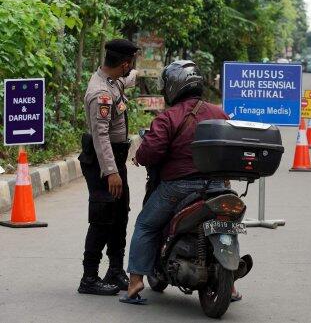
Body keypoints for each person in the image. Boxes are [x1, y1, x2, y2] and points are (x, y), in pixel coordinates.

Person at [122, 60, 229, 304]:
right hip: (217, 187)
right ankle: (230, 287)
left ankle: (135, 281)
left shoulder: (170, 117)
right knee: (225, 223)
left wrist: (140, 156)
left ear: (174, 86)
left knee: (145, 225)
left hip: (179, 187)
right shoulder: (220, 114)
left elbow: (151, 152)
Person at [78, 39, 139, 295]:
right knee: (103, 218)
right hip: (104, 162)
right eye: (131, 63)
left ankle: (115, 269)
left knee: (120, 215)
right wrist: (111, 172)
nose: (132, 67)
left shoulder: (114, 81)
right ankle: (89, 278)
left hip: (116, 158)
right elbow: (101, 135)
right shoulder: (100, 93)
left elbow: (129, 79)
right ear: (123, 63)